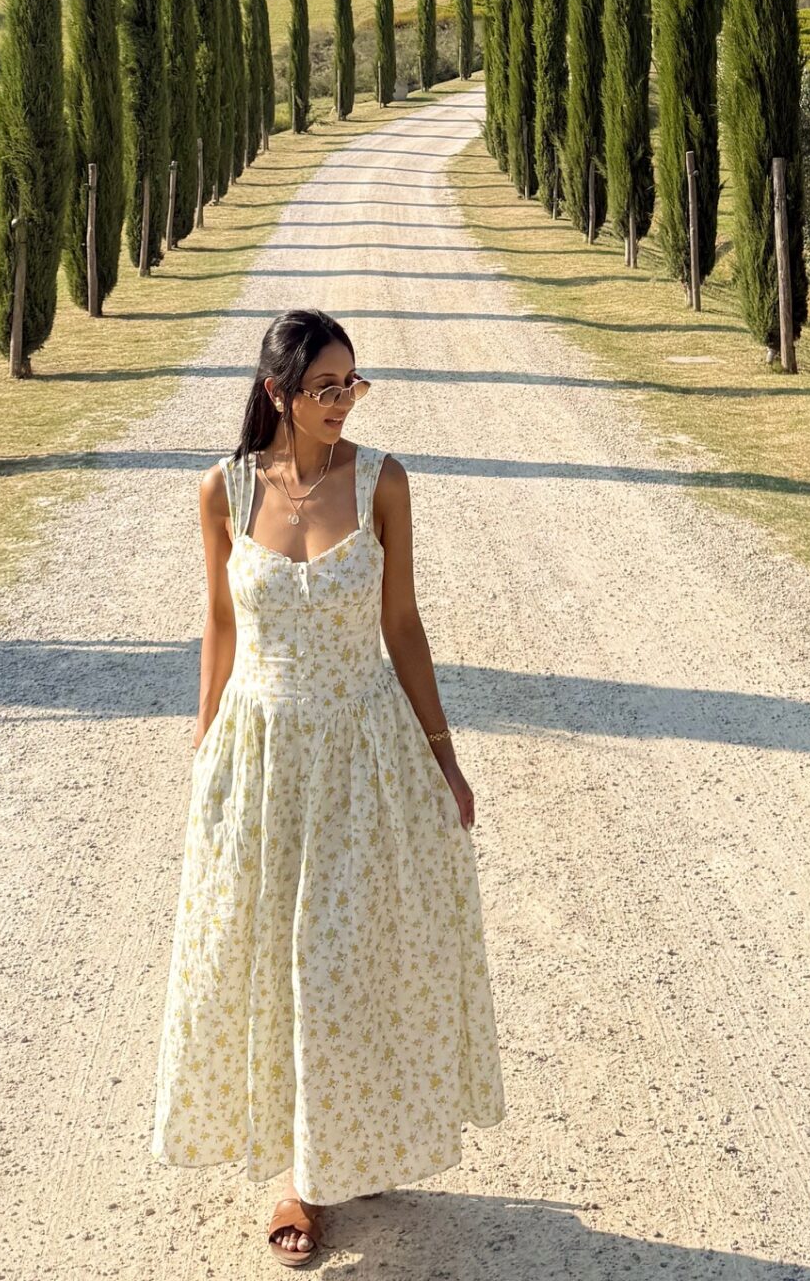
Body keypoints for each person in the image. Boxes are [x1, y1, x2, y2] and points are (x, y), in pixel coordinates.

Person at [153, 307, 504, 1265]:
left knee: (344, 956)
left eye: (353, 385)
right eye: (326, 388)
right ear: (278, 393)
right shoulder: (221, 491)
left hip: (364, 751)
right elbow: (219, 626)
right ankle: (298, 1178)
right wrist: (204, 743)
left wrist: (445, 755)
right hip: (261, 755)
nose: (343, 403)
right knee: (273, 958)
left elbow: (405, 628)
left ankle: (341, 1141)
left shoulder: (384, 482)